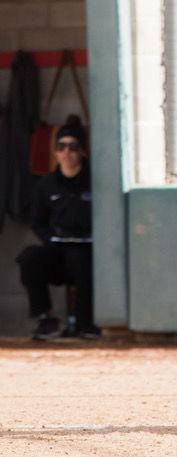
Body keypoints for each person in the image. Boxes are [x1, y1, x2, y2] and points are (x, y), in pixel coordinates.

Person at [16, 115, 100, 340]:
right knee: (29, 257)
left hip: (88, 251)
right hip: (58, 249)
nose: (67, 153)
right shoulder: (46, 184)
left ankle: (84, 322)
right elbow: (38, 221)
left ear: (82, 151)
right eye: (61, 147)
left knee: (80, 259)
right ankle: (46, 318)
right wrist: (51, 239)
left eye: (73, 147)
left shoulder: (96, 180)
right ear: (55, 152)